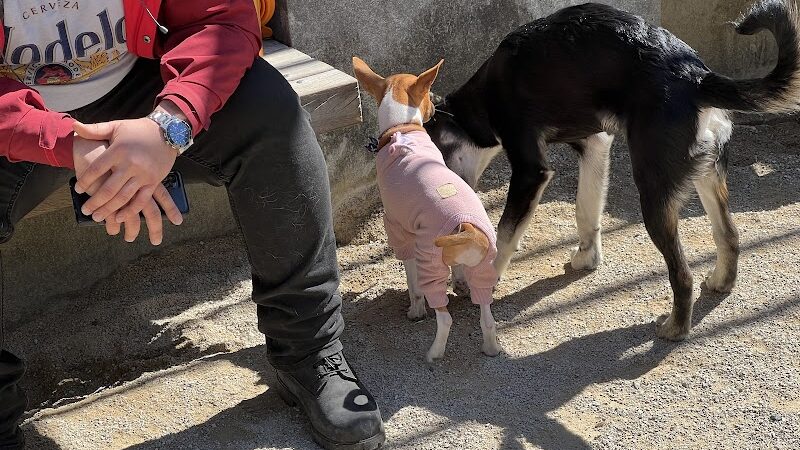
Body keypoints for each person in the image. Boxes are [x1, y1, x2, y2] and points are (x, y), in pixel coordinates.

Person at [0, 2, 385, 449]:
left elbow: (224, 17)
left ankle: (308, 349)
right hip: (16, 115)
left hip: (141, 80)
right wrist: (67, 143)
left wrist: (170, 124)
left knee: (271, 116)